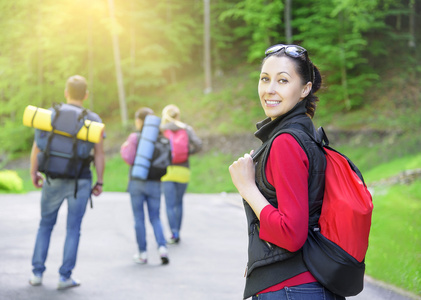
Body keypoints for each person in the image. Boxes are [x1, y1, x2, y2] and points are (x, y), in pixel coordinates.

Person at [229, 44, 345, 300]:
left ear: (305, 89)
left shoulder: (286, 142)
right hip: (303, 284)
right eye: (264, 79)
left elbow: (292, 235)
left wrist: (247, 187)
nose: (270, 89)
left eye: (283, 80)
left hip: (293, 289)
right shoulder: (304, 134)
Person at [29, 75, 105, 290]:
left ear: (66, 92)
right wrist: (99, 181)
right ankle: (65, 277)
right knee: (73, 229)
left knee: (45, 225)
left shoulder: (50, 114)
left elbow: (38, 147)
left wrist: (34, 172)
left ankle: (37, 274)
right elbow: (99, 154)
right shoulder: (93, 119)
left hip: (52, 179)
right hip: (79, 181)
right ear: (86, 95)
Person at [120, 107, 169, 265]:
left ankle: (142, 253)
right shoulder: (161, 137)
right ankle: (162, 248)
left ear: (140, 121)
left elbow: (129, 158)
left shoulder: (135, 137)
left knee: (139, 218)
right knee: (155, 217)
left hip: (137, 182)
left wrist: (124, 147)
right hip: (155, 182)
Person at [160, 104, 202, 244]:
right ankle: (178, 231)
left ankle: (174, 233)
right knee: (179, 203)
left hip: (167, 171)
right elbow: (198, 144)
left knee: (169, 204)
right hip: (183, 170)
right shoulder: (186, 129)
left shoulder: (162, 130)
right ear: (178, 115)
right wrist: (187, 153)